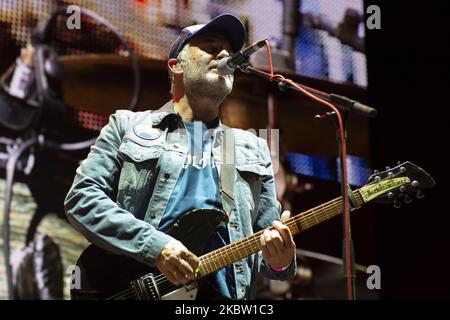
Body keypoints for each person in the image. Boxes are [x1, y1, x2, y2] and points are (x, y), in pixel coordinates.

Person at [64, 13, 296, 300]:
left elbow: (269, 261)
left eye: (228, 51)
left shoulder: (253, 148)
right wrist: (156, 246)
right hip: (130, 289)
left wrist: (280, 260)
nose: (224, 54)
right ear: (176, 66)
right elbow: (82, 199)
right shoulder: (127, 126)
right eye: (211, 47)